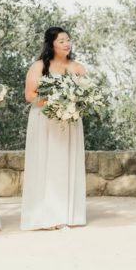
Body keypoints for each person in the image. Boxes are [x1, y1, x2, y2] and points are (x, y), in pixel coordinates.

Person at [20, 27, 87, 231]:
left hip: (69, 121)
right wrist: (55, 102)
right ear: (51, 44)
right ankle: (46, 215)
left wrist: (73, 104)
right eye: (61, 41)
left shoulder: (77, 67)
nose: (67, 43)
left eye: (68, 40)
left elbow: (85, 94)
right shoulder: (39, 66)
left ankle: (68, 214)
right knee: (46, 163)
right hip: (45, 120)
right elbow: (30, 95)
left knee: (66, 163)